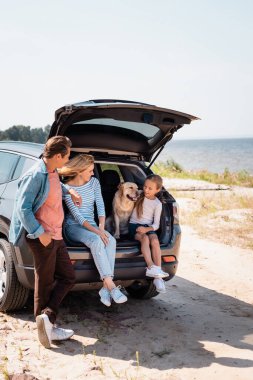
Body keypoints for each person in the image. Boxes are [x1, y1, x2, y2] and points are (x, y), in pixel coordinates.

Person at [9, 136, 82, 349]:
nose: (69, 159)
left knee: (68, 277)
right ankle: (47, 326)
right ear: (58, 156)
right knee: (45, 281)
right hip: (43, 237)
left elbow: (54, 187)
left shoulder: (51, 171)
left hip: (56, 235)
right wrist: (39, 232)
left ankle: (46, 319)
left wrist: (69, 190)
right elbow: (23, 208)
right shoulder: (35, 175)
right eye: (67, 155)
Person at [59, 154, 127, 307]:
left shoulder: (94, 183)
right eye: (90, 170)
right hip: (74, 226)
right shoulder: (68, 189)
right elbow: (77, 217)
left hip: (92, 224)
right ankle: (111, 287)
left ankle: (105, 288)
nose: (93, 173)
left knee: (110, 240)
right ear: (80, 171)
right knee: (97, 240)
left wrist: (101, 228)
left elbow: (101, 206)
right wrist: (98, 233)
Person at [129, 174, 167, 293]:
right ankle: (151, 267)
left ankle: (158, 276)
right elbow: (126, 194)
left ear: (158, 190)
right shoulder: (138, 195)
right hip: (134, 226)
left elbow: (156, 225)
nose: (146, 190)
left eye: (150, 188)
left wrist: (147, 229)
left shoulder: (157, 204)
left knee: (155, 241)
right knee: (145, 239)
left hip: (148, 227)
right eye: (145, 187)